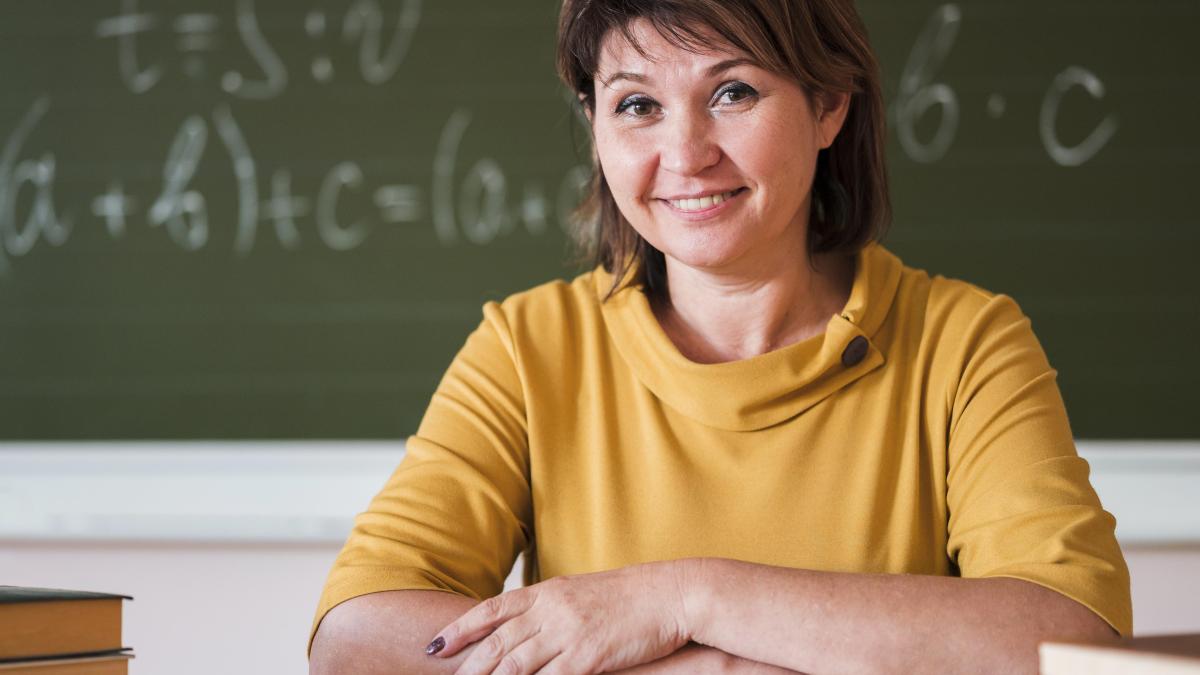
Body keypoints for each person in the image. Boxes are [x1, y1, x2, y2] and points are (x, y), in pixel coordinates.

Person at [308, 0, 1131, 672]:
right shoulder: (528, 347)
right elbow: (357, 637)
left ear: (829, 105)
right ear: (596, 126)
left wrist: (685, 598)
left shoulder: (966, 341)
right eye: (637, 105)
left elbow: (1070, 638)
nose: (685, 153)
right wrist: (703, 665)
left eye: (732, 92)